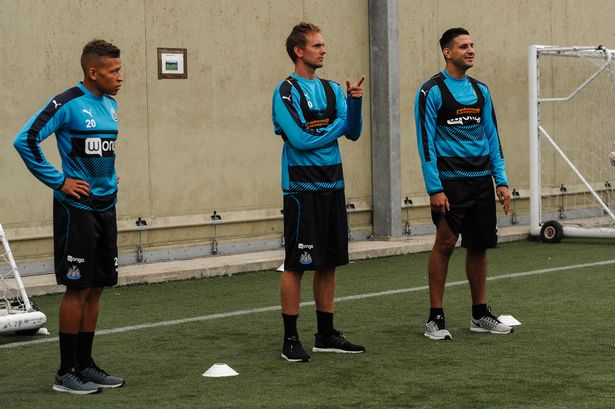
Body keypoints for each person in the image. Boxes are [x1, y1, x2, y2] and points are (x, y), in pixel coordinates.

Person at [14, 39, 125, 393]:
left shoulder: (110, 104)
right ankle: (65, 372)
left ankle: (86, 364)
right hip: (76, 210)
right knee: (77, 288)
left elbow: (100, 152)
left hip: (106, 207)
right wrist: (60, 180)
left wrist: (108, 179)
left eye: (120, 69)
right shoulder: (67, 103)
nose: (120, 77)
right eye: (113, 71)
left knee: (96, 288)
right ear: (93, 72)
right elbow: (25, 140)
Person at [272, 22, 366, 362]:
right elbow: (299, 140)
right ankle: (290, 339)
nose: (324, 50)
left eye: (324, 45)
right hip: (301, 189)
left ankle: (325, 335)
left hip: (333, 185)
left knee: (329, 264)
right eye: (317, 45)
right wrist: (338, 126)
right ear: (299, 51)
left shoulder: (333, 89)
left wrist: (354, 104)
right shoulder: (285, 91)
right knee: (296, 264)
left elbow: (353, 133)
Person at [413, 28, 513, 341]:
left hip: (482, 183)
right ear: (447, 52)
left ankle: (480, 314)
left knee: (479, 246)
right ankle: (435, 318)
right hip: (450, 185)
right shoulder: (431, 91)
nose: (470, 50)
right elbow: (426, 143)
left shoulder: (481, 91)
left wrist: (501, 180)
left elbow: (492, 137)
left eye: (472, 45)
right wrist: (435, 188)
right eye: (463, 46)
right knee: (444, 245)